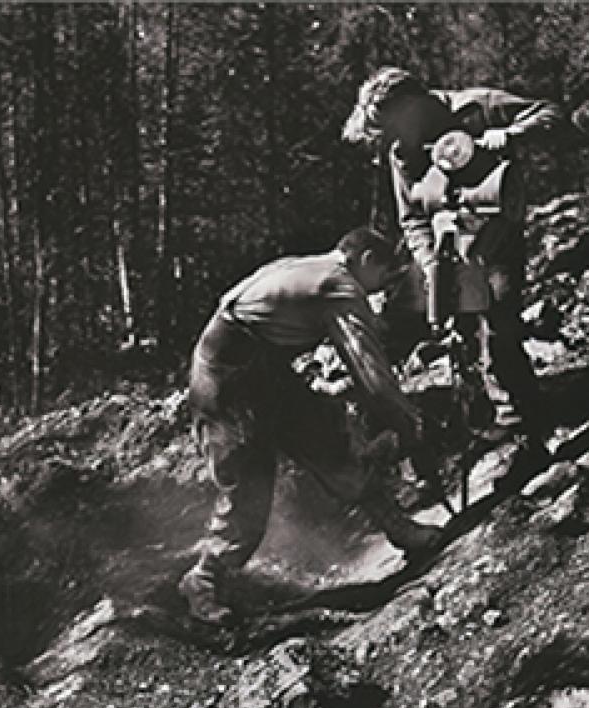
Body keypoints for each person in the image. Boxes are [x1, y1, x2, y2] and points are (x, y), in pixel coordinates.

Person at [178, 227, 443, 624]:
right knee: (248, 483)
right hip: (226, 377)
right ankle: (204, 580)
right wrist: (406, 423)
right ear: (367, 260)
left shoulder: (315, 266)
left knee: (327, 438)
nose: (384, 287)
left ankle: (398, 528)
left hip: (262, 366)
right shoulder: (339, 286)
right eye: (386, 274)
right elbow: (369, 372)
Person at [342, 67, 577, 484]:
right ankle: (472, 425)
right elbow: (411, 217)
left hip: (496, 239)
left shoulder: (476, 105)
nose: (392, 139)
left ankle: (526, 433)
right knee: (428, 330)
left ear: (413, 103)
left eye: (393, 125)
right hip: (443, 248)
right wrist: (430, 265)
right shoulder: (401, 152)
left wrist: (512, 134)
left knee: (500, 326)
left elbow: (552, 115)